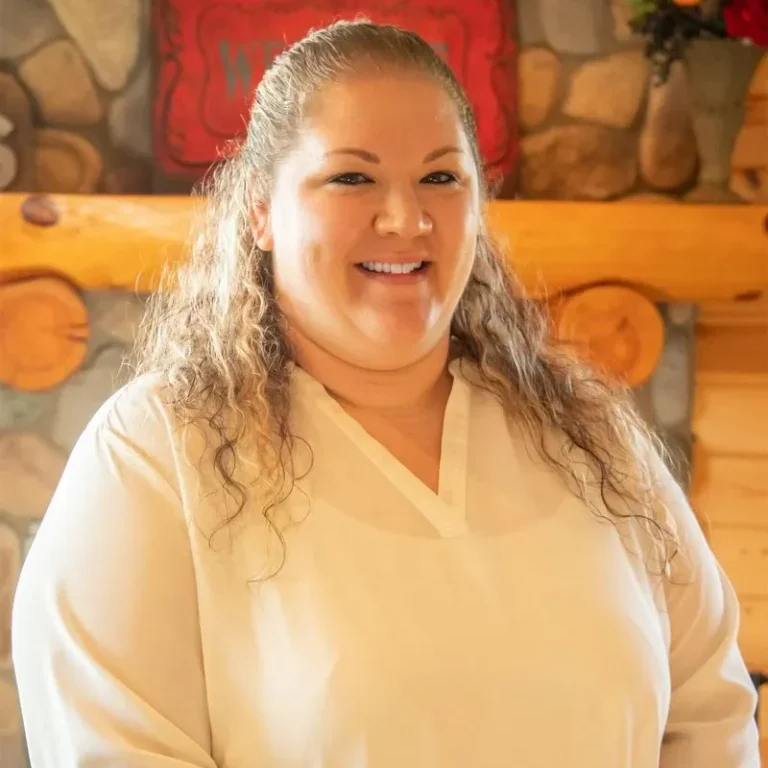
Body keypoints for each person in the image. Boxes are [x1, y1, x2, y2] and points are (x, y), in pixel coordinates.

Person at [11, 19, 759, 768]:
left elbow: (709, 711)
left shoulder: (592, 439)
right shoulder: (155, 458)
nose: (406, 218)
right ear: (261, 210)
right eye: (352, 177)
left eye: (441, 177)